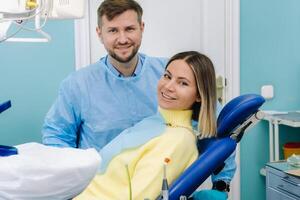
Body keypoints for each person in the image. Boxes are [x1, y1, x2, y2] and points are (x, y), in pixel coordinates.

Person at [42, 0, 235, 197]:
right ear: (99, 33)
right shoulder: (78, 84)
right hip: (96, 188)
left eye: (130, 28)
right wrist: (69, 185)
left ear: (142, 28)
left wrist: (221, 184)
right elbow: (56, 138)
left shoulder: (170, 73)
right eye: (113, 30)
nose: (123, 38)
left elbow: (219, 127)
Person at [74, 51, 222, 200]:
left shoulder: (177, 140)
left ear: (199, 95)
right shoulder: (157, 123)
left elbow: (138, 197)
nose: (168, 87)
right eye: (167, 76)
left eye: (183, 83)